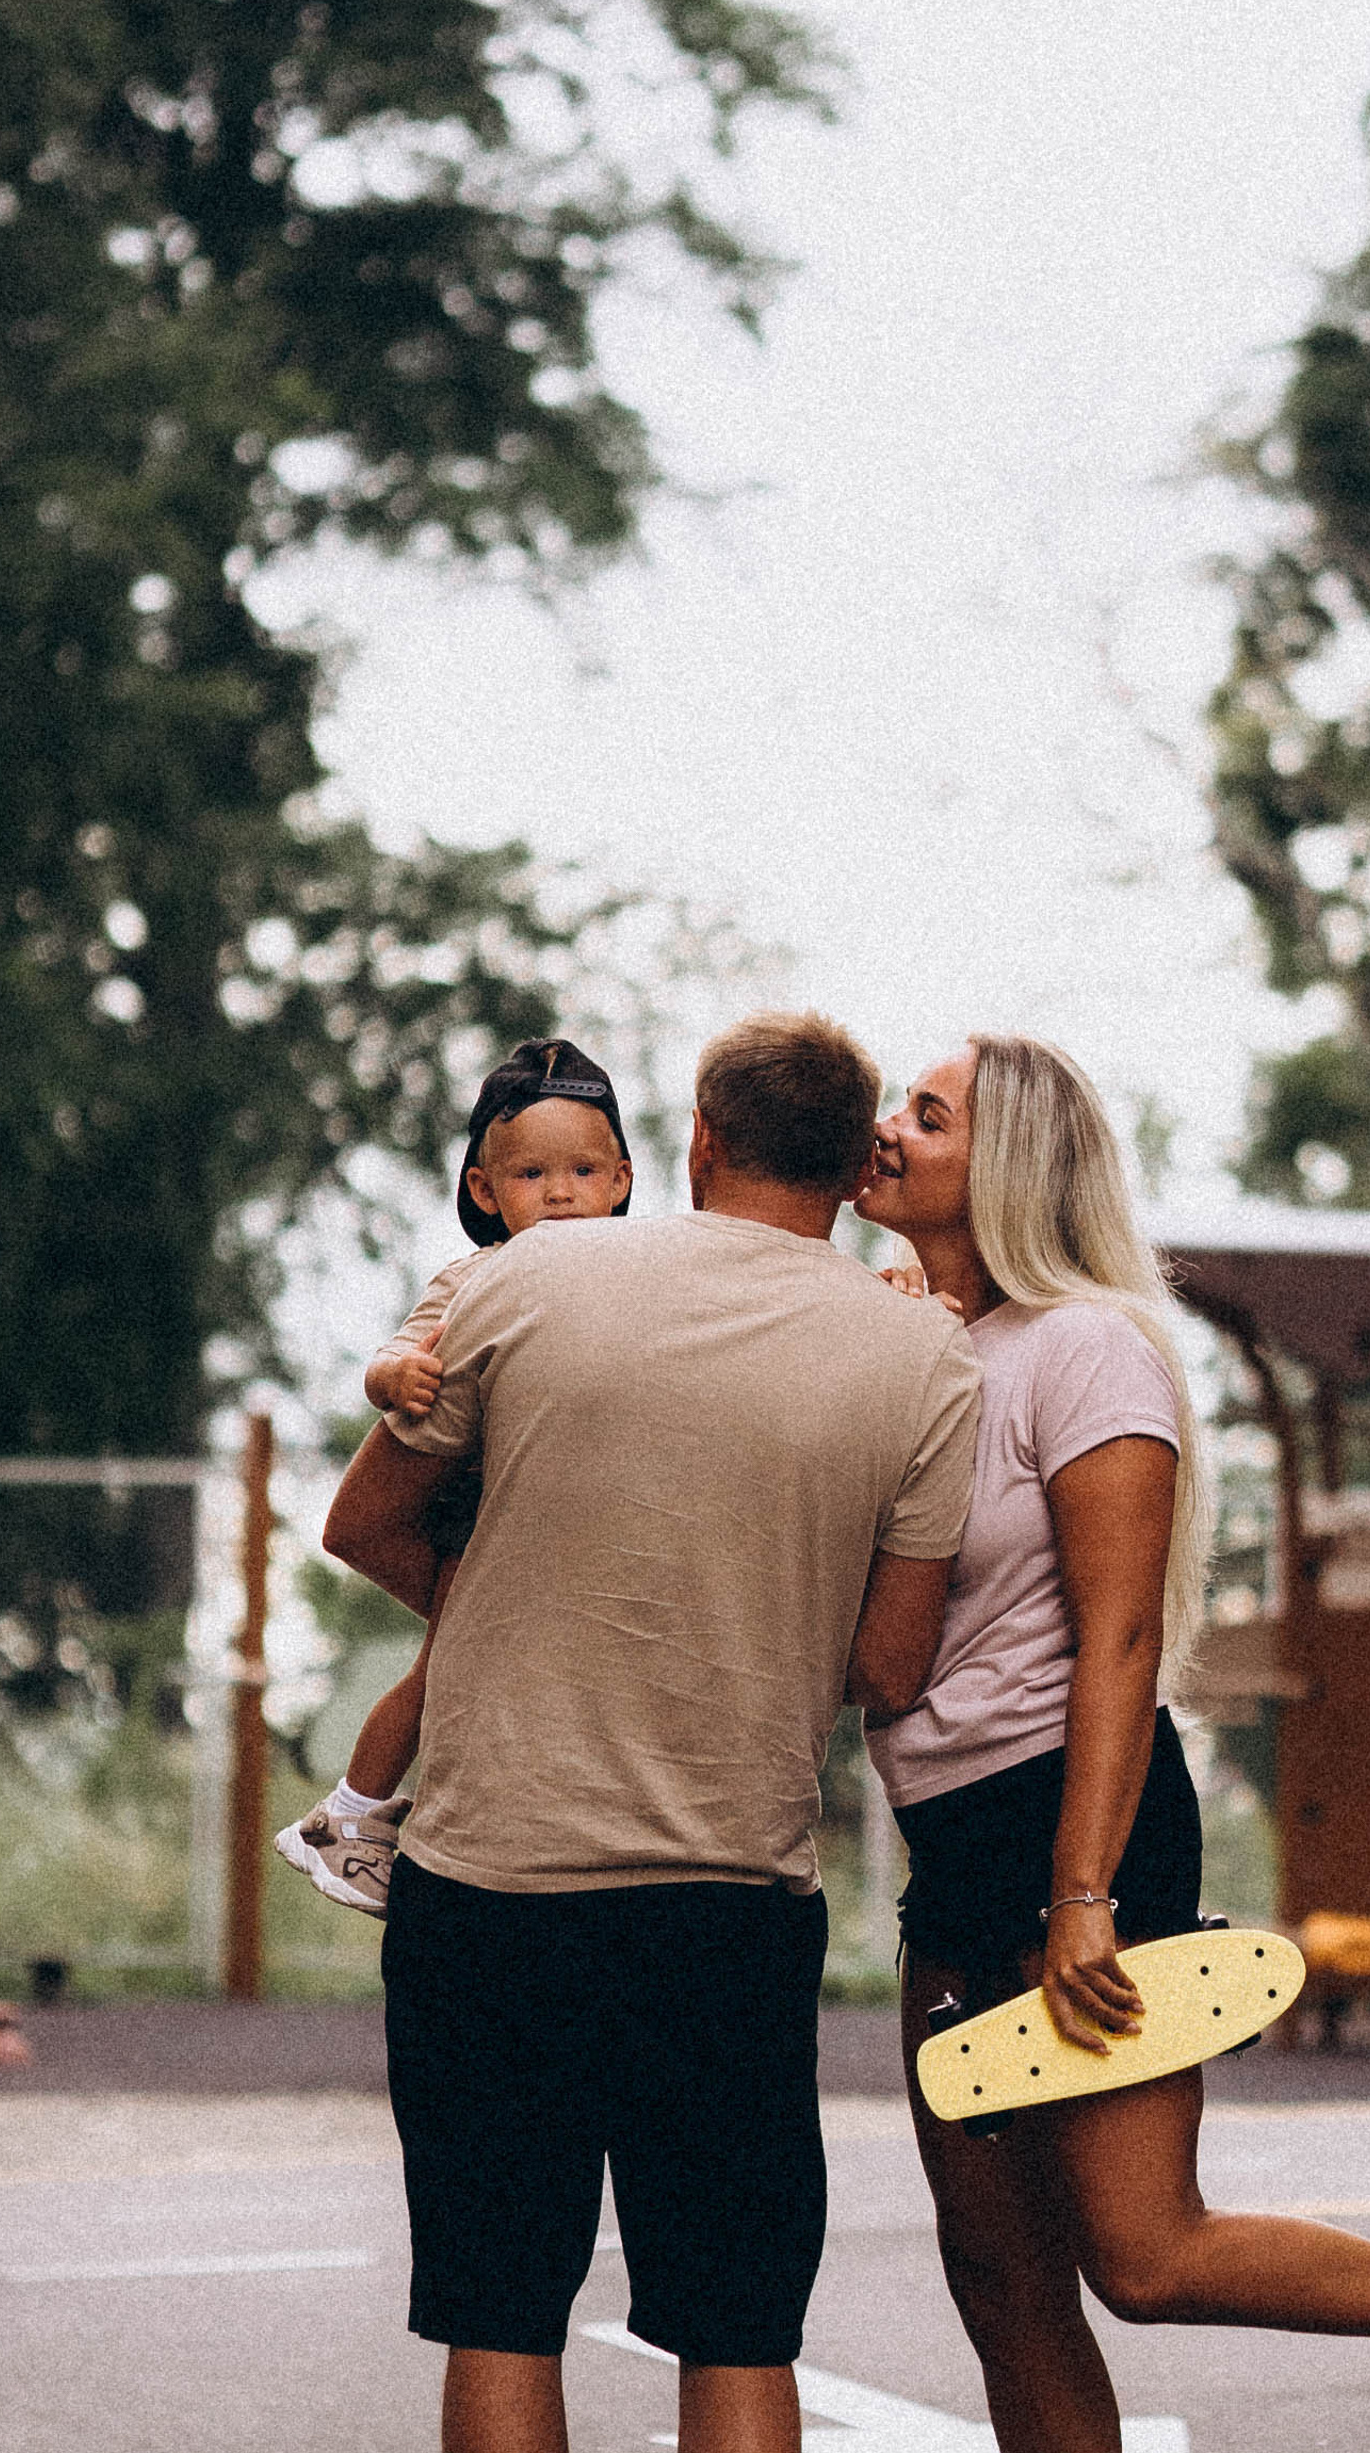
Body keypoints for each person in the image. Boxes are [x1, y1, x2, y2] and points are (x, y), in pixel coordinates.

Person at [855, 1032, 1370, 2453]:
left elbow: (1122, 1642)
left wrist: (1083, 1898)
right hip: (950, 1833)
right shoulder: (923, 1347)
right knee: (998, 2278)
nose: (889, 1130)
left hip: (1071, 1818)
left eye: (927, 1116)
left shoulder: (1086, 1349)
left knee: (1146, 2256)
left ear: (1003, 1168)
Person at [322, 1010, 982, 2453]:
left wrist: (508, 1600)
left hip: (492, 1885)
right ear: (849, 1159)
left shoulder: (528, 1278)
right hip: (730, 1900)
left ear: (692, 1143)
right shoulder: (925, 1364)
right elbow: (887, 1662)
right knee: (737, 2321)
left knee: (501, 2308)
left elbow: (360, 1522)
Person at [276, 1036, 634, 1915]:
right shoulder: (479, 1276)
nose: (561, 1193)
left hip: (550, 1526)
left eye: (584, 1172)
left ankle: (399, 1813)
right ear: (484, 1190)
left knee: (478, 1682)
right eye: (533, 1176)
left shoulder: (634, 1277)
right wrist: (393, 1379)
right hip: (477, 1519)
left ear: (621, 1181)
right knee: (440, 1674)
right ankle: (348, 1815)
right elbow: (398, 1349)